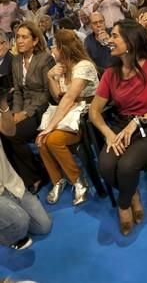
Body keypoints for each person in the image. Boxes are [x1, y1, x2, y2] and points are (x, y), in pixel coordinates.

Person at [90, 19, 147, 236]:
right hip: (121, 126)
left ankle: (123, 206)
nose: (109, 40)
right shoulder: (111, 73)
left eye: (115, 36)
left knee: (127, 167)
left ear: (129, 41)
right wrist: (109, 134)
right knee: (106, 165)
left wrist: (138, 121)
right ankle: (132, 194)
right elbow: (94, 111)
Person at [36, 30, 98, 206]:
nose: (52, 50)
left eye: (54, 46)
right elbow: (59, 97)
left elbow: (70, 98)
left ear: (63, 48)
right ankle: (57, 180)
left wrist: (50, 127)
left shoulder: (84, 66)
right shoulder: (62, 67)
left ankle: (79, 181)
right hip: (68, 112)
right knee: (41, 140)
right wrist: (51, 77)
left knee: (52, 139)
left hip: (85, 117)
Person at [2, 22, 54, 192]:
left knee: (14, 135)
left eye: (24, 37)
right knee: (3, 132)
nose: (19, 40)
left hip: (41, 109)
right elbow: (17, 91)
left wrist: (25, 113)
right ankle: (21, 175)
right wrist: (15, 112)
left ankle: (37, 175)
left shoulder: (45, 59)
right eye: (17, 37)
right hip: (22, 107)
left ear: (35, 40)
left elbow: (47, 94)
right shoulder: (16, 61)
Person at [0, 89, 52, 250]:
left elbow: (10, 131)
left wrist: (3, 105)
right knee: (20, 221)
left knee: (43, 226)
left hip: (10, 181)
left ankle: (11, 214)